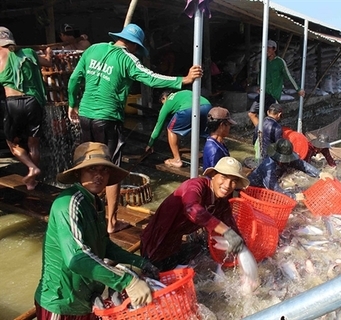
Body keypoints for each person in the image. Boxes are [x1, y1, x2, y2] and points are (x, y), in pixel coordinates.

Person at [67, 23, 203, 233]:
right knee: (110, 169)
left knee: (88, 165)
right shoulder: (127, 58)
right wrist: (183, 79)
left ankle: (85, 213)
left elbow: (74, 79)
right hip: (107, 118)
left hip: (86, 115)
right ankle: (111, 223)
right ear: (133, 45)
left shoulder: (93, 49)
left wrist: (71, 103)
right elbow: (149, 77)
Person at [34, 142, 160, 320]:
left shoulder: (95, 202)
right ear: (78, 173)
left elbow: (104, 246)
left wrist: (140, 262)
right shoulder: (68, 203)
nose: (98, 176)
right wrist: (128, 281)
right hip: (62, 301)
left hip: (85, 298)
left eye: (104, 170)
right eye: (91, 169)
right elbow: (77, 259)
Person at [140, 156, 250, 271]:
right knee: (153, 275)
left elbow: (232, 228)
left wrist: (244, 253)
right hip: (156, 241)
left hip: (175, 243)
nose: (227, 185)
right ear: (213, 175)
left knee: (199, 251)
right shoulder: (196, 185)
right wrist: (225, 231)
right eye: (224, 177)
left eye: (234, 181)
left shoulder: (221, 201)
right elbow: (192, 209)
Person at [0, 26, 52, 190]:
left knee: (12, 144)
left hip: (13, 102)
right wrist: (48, 51)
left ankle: (31, 167)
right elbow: (48, 62)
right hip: (33, 101)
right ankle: (32, 182)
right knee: (33, 144)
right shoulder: (29, 53)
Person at [146, 89, 212, 168]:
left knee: (171, 129)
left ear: (164, 98)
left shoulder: (167, 102)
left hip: (188, 109)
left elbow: (158, 126)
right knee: (203, 132)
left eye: (162, 103)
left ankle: (177, 160)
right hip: (208, 106)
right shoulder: (183, 92)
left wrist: (150, 143)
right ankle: (207, 155)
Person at [247, 39, 305, 128]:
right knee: (252, 113)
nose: (266, 50)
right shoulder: (263, 62)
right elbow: (260, 74)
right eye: (265, 48)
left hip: (273, 95)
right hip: (264, 92)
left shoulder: (280, 62)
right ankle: (261, 132)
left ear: (274, 49)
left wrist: (298, 89)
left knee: (271, 118)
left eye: (268, 48)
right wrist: (259, 85)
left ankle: (272, 133)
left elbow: (288, 76)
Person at [248, 138, 320, 200]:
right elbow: (273, 188)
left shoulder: (288, 160)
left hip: (268, 188)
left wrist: (319, 173)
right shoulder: (268, 167)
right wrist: (293, 196)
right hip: (254, 190)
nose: (287, 161)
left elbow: (302, 165)